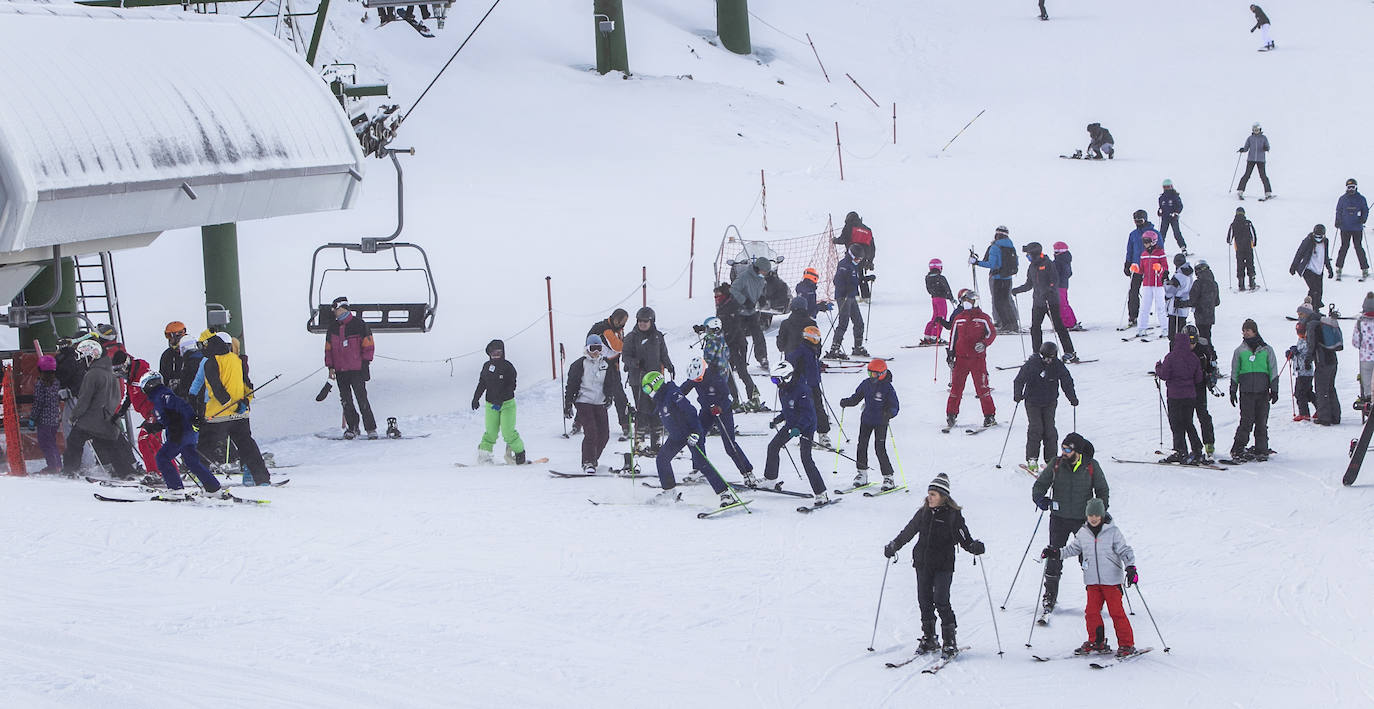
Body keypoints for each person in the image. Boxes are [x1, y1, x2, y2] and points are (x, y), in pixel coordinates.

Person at [883, 473, 985, 657]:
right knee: (924, 600)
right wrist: (894, 545)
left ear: (943, 497)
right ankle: (929, 638)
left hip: (943, 564)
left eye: (933, 495)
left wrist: (974, 547)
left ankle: (949, 641)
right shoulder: (923, 513)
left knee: (941, 600)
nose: (929, 497)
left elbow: (965, 539)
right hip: (922, 562)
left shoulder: (953, 516)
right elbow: (909, 531)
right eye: (929, 494)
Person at [1041, 498, 1139, 658]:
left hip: (1111, 582)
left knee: (1117, 613)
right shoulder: (1083, 533)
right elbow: (1072, 549)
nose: (1093, 518)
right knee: (1091, 612)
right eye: (1090, 515)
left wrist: (1130, 567)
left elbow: (1125, 550)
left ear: (1101, 515)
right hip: (1092, 581)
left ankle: (1127, 644)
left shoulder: (1113, 532)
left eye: (1096, 515)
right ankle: (1097, 641)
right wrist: (1055, 553)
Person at [1030, 432, 1109, 613]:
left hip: (1084, 520)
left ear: (1077, 451)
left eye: (1068, 449)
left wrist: (1099, 510)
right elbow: (1040, 485)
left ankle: (1095, 597)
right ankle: (1049, 595)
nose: (1064, 452)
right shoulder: (1056, 464)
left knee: (1088, 559)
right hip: (1059, 518)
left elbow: (1102, 490)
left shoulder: (1091, 466)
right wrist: (1039, 498)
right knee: (1054, 555)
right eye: (1063, 448)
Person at [640, 371, 737, 509]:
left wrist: (696, 432)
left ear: (656, 384)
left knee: (701, 463)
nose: (647, 392)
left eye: (648, 388)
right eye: (645, 389)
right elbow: (656, 414)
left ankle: (726, 494)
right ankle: (669, 491)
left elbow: (690, 411)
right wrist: (637, 415)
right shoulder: (661, 398)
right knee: (662, 459)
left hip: (691, 433)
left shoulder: (673, 393)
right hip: (677, 436)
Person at [199, 332, 273, 485]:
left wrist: (230, 404)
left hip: (218, 414)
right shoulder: (237, 360)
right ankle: (261, 478)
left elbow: (217, 389)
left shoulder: (211, 362)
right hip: (240, 414)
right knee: (247, 445)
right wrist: (245, 402)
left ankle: (201, 479)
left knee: (205, 446)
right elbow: (248, 385)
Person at [61, 340, 138, 479]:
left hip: (91, 419)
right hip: (108, 418)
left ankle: (70, 470)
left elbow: (84, 399)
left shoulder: (92, 374)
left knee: (74, 441)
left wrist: (73, 416)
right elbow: (119, 394)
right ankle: (126, 472)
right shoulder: (111, 372)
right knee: (111, 445)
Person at [139, 371, 223, 496]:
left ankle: (175, 489)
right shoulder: (161, 396)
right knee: (192, 462)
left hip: (180, 433)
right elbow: (169, 417)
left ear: (148, 386)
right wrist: (154, 427)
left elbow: (182, 405)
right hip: (187, 433)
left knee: (162, 457)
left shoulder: (162, 395)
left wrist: (193, 417)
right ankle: (214, 489)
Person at [680, 357, 755, 486]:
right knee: (696, 437)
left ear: (703, 371)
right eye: (695, 380)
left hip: (722, 412)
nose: (697, 381)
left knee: (729, 445)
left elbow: (729, 397)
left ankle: (747, 472)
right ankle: (699, 468)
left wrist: (720, 407)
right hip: (706, 411)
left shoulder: (716, 378)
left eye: (698, 379)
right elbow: (682, 391)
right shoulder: (695, 377)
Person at [763, 361, 829, 507]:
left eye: (776, 380)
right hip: (791, 424)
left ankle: (821, 493)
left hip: (806, 426)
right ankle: (770, 480)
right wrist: (778, 419)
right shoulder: (783, 389)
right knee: (773, 447)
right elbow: (789, 409)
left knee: (806, 458)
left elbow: (809, 415)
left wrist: (799, 428)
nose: (775, 383)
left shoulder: (802, 390)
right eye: (773, 379)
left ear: (786, 377)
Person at [564, 335, 629, 474]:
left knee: (604, 434)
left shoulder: (606, 364)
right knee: (591, 431)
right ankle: (587, 462)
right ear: (587, 348)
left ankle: (593, 459)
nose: (595, 352)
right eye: (592, 348)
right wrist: (568, 403)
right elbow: (571, 385)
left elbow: (611, 383)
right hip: (583, 401)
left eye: (598, 348)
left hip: (599, 402)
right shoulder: (579, 364)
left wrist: (610, 396)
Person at [1013, 341, 1078, 473]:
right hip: (1032, 402)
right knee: (1036, 428)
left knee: (1050, 430)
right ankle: (1032, 458)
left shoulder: (1057, 365)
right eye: (1046, 358)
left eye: (1051, 358)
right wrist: (1017, 394)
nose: (1048, 361)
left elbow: (1066, 381)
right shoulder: (1032, 364)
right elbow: (1019, 379)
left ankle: (1051, 459)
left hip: (1050, 401)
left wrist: (1072, 398)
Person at [840, 359, 900, 490]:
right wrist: (846, 402)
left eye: (873, 374)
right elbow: (856, 398)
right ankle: (862, 474)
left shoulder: (887, 388)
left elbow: (895, 406)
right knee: (861, 446)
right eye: (869, 373)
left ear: (882, 374)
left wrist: (889, 413)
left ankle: (888, 477)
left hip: (881, 422)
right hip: (866, 420)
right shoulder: (866, 384)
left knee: (879, 448)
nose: (871, 377)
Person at [1011, 242, 1077, 361]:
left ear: (1035, 253)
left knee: (1059, 326)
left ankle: (1069, 352)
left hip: (1051, 301)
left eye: (1029, 254)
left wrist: (1049, 290)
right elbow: (1029, 284)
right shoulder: (1032, 267)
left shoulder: (1048, 264)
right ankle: (1037, 353)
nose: (1028, 256)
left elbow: (1055, 281)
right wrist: (1017, 290)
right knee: (1035, 327)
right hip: (1038, 302)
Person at [324, 296, 378, 439]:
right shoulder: (333, 327)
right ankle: (352, 427)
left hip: (357, 369)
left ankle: (370, 428)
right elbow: (328, 349)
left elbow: (368, 345)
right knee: (346, 400)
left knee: (362, 399)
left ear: (343, 308)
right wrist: (330, 367)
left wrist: (365, 364)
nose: (334, 312)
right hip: (341, 370)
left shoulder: (359, 324)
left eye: (336, 309)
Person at [622, 306, 674, 447]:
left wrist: (669, 365)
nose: (642, 323)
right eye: (640, 321)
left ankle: (656, 440)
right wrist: (636, 362)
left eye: (645, 321)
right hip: (638, 379)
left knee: (656, 410)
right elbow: (625, 357)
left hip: (655, 380)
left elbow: (663, 354)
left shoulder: (657, 336)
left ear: (652, 321)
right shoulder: (632, 337)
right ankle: (639, 441)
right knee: (642, 410)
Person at [946, 289, 998, 429]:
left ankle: (989, 416)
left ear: (975, 302)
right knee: (956, 388)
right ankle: (951, 414)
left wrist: (984, 343)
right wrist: (950, 354)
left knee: (982, 388)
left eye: (969, 301)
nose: (966, 304)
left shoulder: (983, 318)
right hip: (961, 359)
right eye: (964, 301)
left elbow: (992, 333)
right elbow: (953, 337)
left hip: (977, 359)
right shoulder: (959, 318)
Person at [1229, 319, 1280, 459]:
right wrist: (1233, 390)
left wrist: (1274, 390)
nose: (1245, 333)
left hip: (1262, 391)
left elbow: (1273, 370)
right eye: (1243, 330)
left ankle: (1261, 448)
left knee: (1261, 421)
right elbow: (1235, 371)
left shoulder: (1267, 350)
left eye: (1248, 330)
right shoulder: (1239, 351)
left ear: (1254, 331)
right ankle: (1238, 448)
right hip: (1246, 392)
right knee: (1246, 421)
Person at [472, 339, 527, 465]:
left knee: (508, 433)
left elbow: (511, 386)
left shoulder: (508, 367)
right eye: (493, 353)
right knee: (490, 432)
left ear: (503, 352)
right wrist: (476, 398)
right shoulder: (487, 366)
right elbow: (482, 383)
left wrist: (500, 400)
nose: (496, 355)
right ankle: (484, 456)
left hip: (507, 405)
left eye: (498, 352)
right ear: (489, 353)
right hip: (491, 405)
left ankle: (519, 452)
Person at [1155, 333, 1204, 464]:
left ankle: (1181, 451)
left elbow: (1164, 375)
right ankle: (1197, 449)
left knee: (1176, 424)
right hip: (1190, 396)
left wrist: (1158, 367)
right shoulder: (1193, 358)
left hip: (1175, 396)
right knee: (1188, 423)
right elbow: (1199, 378)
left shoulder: (1170, 357)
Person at [715, 284, 761, 409]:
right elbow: (718, 325)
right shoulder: (720, 307)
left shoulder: (733, 306)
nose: (716, 298)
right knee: (728, 373)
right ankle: (734, 399)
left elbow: (736, 327)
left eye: (718, 295)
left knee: (742, 372)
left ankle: (753, 397)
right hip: (728, 345)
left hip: (738, 344)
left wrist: (727, 339)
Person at [587, 308, 630, 437]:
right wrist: (630, 344)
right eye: (622, 322)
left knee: (617, 393)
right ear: (616, 320)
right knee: (594, 392)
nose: (623, 325)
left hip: (611, 364)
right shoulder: (605, 329)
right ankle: (579, 422)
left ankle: (625, 423)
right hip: (599, 365)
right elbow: (618, 346)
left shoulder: (616, 328)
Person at [788, 324, 832, 448]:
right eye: (813, 338)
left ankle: (822, 434)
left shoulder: (814, 350)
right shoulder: (801, 350)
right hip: (803, 386)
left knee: (818, 408)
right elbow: (790, 361)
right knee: (806, 410)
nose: (816, 340)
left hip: (814, 384)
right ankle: (807, 435)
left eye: (817, 338)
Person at [972, 226, 1019, 332]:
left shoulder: (995, 247)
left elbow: (992, 264)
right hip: (1008, 277)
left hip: (998, 277)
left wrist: (977, 262)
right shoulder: (1011, 246)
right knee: (1006, 301)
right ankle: (1013, 323)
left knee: (998, 302)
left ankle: (1006, 324)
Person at [1185, 324, 1221, 460]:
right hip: (1185, 388)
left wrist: (1211, 378)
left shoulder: (1204, 348)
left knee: (1203, 415)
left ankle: (1209, 444)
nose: (1191, 344)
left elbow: (1212, 363)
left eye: (1193, 340)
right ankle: (1190, 447)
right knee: (1186, 419)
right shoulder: (1179, 349)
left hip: (1199, 387)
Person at [826, 246, 869, 359]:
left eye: (860, 259)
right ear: (851, 255)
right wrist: (845, 290)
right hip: (843, 297)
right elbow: (837, 281)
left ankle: (858, 347)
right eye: (856, 259)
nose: (858, 261)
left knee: (859, 322)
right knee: (843, 323)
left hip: (851, 297)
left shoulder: (853, 265)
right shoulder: (844, 265)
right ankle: (834, 348)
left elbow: (854, 280)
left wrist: (866, 279)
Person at [729, 257, 772, 369]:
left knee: (758, 335)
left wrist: (761, 297)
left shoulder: (761, 279)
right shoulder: (745, 276)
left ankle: (762, 358)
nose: (765, 274)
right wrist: (744, 300)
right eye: (764, 271)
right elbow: (733, 289)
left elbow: (760, 290)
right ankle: (734, 361)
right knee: (738, 338)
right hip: (739, 312)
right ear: (758, 268)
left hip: (751, 312)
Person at [1304, 303, 1341, 426]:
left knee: (1321, 389)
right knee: (1331, 388)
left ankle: (1324, 418)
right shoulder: (1323, 321)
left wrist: (1308, 359)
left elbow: (1311, 345)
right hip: (1332, 360)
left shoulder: (1311, 325)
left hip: (1322, 361)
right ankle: (1335, 416)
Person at [832, 211, 876, 301]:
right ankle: (866, 296)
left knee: (851, 274)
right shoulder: (867, 229)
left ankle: (854, 295)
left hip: (853, 254)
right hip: (864, 256)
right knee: (860, 274)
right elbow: (872, 246)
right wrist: (870, 261)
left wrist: (835, 240)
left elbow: (843, 239)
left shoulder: (849, 226)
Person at [1289, 225, 1333, 310]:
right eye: (1316, 236)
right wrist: (1293, 266)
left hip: (1319, 270)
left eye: (1320, 236)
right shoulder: (1308, 241)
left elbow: (1325, 256)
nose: (1318, 238)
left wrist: (1329, 269)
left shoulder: (1325, 242)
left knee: (1319, 292)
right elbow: (1300, 253)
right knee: (1313, 290)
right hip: (1308, 269)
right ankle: (1310, 309)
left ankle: (1314, 308)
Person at [1123, 210, 1155, 328]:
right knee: (1133, 291)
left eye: (1140, 221)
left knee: (1150, 292)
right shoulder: (1133, 234)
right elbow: (1130, 250)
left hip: (1150, 267)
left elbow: (1160, 249)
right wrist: (1127, 263)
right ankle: (1133, 316)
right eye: (1136, 221)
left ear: (1145, 220)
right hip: (1137, 267)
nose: (1138, 224)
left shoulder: (1153, 233)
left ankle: (1151, 316)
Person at [1136, 231, 1169, 337]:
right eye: (1144, 242)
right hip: (1147, 284)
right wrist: (1136, 269)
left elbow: (1165, 268)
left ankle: (1165, 328)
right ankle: (1141, 328)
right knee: (1144, 306)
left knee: (1160, 307)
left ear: (1153, 241)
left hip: (1157, 284)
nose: (1145, 244)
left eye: (1147, 241)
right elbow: (1142, 270)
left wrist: (1160, 268)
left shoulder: (1160, 253)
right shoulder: (1143, 254)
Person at [1334, 178, 1369, 280]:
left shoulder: (1361, 198)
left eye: (1353, 187)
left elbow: (1365, 210)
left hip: (1357, 228)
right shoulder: (1342, 199)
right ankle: (1339, 268)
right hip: (1345, 227)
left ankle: (1364, 268)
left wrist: (1363, 219)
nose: (1351, 189)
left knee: (1358, 247)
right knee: (1344, 247)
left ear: (1356, 187)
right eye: (1349, 187)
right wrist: (1337, 221)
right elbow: (1338, 211)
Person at [33, 355, 62, 474]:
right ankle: (58, 464)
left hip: (44, 420)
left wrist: (32, 418)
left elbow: (38, 403)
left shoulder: (41, 384)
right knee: (52, 442)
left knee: (45, 443)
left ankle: (52, 466)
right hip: (54, 418)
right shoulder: (57, 382)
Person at [1287, 321, 1316, 421]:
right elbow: (1298, 355)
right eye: (1298, 332)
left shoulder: (1309, 341)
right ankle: (1320, 408)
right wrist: (1291, 354)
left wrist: (1297, 353)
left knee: (1300, 393)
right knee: (1307, 392)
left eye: (1302, 332)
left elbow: (1308, 355)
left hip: (1306, 372)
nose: (1300, 334)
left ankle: (1304, 413)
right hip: (1300, 371)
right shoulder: (1300, 340)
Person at [920, 258, 954, 345]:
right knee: (941, 317)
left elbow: (929, 290)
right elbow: (947, 289)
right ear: (940, 267)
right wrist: (951, 298)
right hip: (941, 299)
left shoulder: (927, 278)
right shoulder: (941, 278)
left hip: (934, 299)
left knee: (935, 317)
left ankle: (927, 335)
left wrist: (934, 293)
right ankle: (935, 337)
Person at [1226, 207, 1259, 292]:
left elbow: (1229, 238)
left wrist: (1230, 242)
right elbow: (1253, 234)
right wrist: (1254, 243)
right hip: (1248, 247)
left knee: (1240, 265)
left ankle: (1241, 284)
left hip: (1239, 248)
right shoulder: (1248, 223)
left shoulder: (1233, 224)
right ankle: (1252, 283)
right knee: (1250, 263)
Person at [1236, 122, 1272, 199]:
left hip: (1261, 160)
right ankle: (1240, 190)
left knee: (1263, 176)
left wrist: (1266, 148)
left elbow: (1268, 146)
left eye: (1257, 130)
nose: (1256, 131)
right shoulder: (1250, 138)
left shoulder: (1263, 138)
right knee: (1247, 175)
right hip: (1251, 160)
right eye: (1254, 130)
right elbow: (1246, 148)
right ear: (1253, 130)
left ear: (1260, 129)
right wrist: (1243, 150)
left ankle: (1268, 193)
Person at [1191, 260, 1221, 343]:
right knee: (1207, 336)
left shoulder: (1198, 283)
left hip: (1200, 316)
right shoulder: (1214, 283)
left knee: (1202, 339)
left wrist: (1181, 304)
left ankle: (1207, 354)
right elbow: (1217, 302)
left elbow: (1192, 300)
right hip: (1210, 316)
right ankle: (1210, 354)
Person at [1353, 293, 1374, 410]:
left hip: (1366, 357)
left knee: (1367, 380)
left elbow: (1355, 342)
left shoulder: (1360, 322)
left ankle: (1368, 398)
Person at [1165, 252, 1194, 339]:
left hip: (1176, 309)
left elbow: (1169, 292)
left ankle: (1174, 352)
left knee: (1173, 336)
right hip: (1184, 308)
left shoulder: (1179, 275)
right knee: (1182, 335)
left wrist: (1165, 280)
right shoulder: (1189, 275)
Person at [1052, 242, 1080, 331]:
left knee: (1062, 304)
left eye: (1057, 250)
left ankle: (1068, 324)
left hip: (1059, 285)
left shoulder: (1059, 261)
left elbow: (1056, 273)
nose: (1055, 252)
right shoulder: (1065, 259)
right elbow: (1069, 273)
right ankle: (1071, 321)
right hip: (1063, 284)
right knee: (1064, 303)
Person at [1157, 179, 1186, 251]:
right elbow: (1161, 207)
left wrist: (1176, 213)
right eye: (1165, 187)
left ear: (1171, 186)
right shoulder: (1161, 198)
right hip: (1165, 218)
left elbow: (1180, 206)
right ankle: (1159, 249)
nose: (1166, 188)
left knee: (1177, 233)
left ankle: (1183, 248)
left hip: (1173, 218)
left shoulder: (1175, 196)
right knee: (1162, 234)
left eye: (1168, 187)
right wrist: (1159, 212)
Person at [159, 321, 187, 389]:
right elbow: (163, 377)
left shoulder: (192, 351)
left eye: (170, 336)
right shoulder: (167, 355)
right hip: (173, 395)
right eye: (167, 336)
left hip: (191, 393)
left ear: (178, 335)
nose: (169, 339)